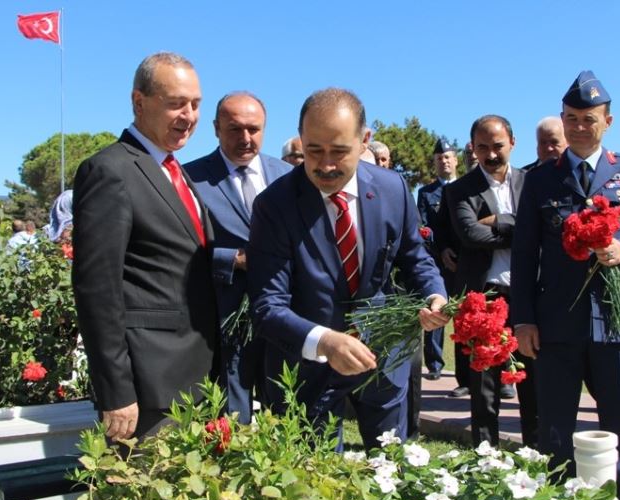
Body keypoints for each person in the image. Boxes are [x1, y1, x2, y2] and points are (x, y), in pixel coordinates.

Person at [246, 88, 447, 450]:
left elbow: (415, 257)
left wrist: (435, 294)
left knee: (389, 476)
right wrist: (324, 341)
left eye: (339, 152)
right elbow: (266, 306)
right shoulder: (274, 206)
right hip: (306, 371)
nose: (325, 165)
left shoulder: (393, 188)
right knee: (314, 489)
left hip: (383, 360)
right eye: (313, 151)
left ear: (364, 141)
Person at [511, 71, 620, 500]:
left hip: (617, 325)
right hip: (557, 323)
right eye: (571, 119)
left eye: (589, 119)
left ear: (608, 120)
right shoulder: (540, 180)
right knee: (556, 427)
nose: (580, 127)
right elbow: (524, 257)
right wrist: (523, 320)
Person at [72, 52, 218, 441]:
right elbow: (96, 291)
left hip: (196, 385)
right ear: (139, 101)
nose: (188, 115)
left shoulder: (175, 172)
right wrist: (116, 391)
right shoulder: (110, 170)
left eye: (195, 104)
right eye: (175, 103)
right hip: (146, 395)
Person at [185, 91, 292, 424]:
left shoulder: (288, 177)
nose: (246, 138)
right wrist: (232, 259)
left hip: (283, 313)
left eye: (254, 129)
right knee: (232, 411)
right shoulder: (190, 179)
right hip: (224, 315)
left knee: (286, 408)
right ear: (216, 128)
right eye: (235, 129)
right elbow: (179, 248)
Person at [446, 114, 537, 447]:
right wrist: (523, 230)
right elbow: (470, 235)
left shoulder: (532, 182)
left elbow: (540, 230)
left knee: (532, 381)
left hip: (529, 295)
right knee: (484, 385)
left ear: (512, 142)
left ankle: (534, 454)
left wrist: (497, 220)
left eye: (497, 145)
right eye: (482, 147)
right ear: (472, 149)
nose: (491, 154)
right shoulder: (459, 190)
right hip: (483, 296)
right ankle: (486, 456)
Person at [416, 139, 467, 391]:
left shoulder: (467, 186)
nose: (444, 162)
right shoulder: (426, 194)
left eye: (447, 157)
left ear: (456, 160)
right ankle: (434, 365)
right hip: (438, 263)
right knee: (436, 312)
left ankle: (463, 373)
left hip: (466, 261)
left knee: (464, 317)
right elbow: (425, 228)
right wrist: (441, 250)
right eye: (439, 159)